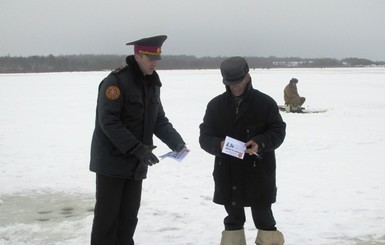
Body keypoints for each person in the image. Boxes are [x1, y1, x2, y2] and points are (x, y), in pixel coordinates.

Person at [89, 35, 186, 245]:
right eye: (150, 58)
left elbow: (158, 119)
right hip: (112, 163)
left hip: (136, 163)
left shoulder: (152, 84)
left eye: (156, 58)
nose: (154, 63)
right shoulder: (115, 82)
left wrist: (176, 142)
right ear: (138, 55)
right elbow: (109, 122)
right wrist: (137, 148)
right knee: (107, 220)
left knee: (128, 220)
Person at [199, 56, 286, 245]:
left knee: (264, 219)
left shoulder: (265, 103)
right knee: (233, 221)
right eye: (230, 84)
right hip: (228, 173)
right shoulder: (215, 106)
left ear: (247, 76)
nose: (234, 87)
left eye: (238, 82)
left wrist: (260, 142)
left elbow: (278, 132)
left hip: (258, 173)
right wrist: (218, 145)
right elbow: (204, 136)